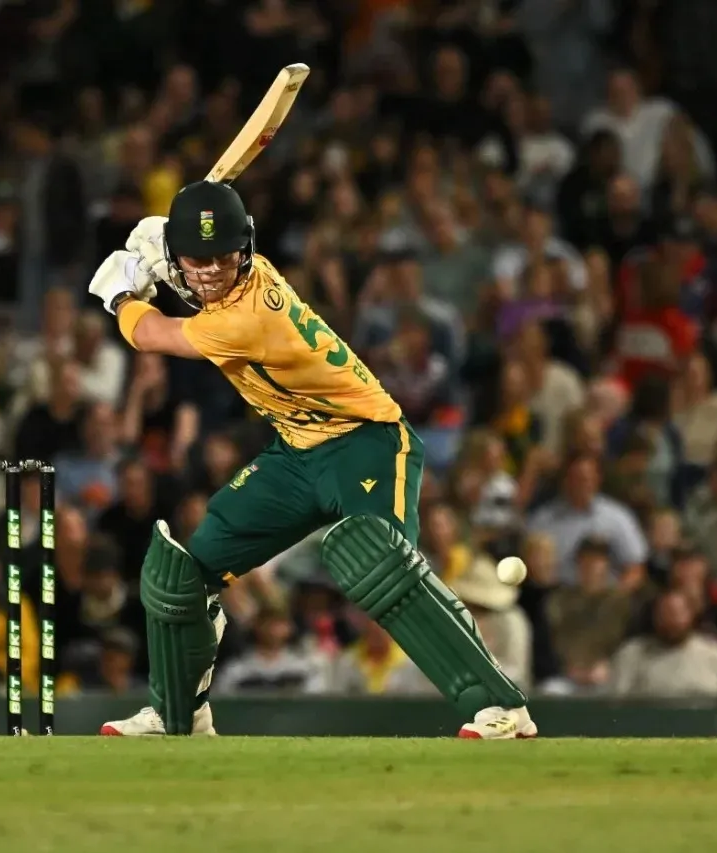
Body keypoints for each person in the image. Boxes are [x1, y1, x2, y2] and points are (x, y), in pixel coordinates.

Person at [86, 180, 536, 739]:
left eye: (222, 257)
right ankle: (178, 717)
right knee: (182, 574)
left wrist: (122, 296)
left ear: (244, 251)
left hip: (366, 441)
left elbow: (155, 335)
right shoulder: (234, 279)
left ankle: (504, 708)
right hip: (296, 450)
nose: (212, 271)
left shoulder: (249, 315)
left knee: (384, 566)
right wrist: (171, 260)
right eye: (199, 259)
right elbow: (201, 286)